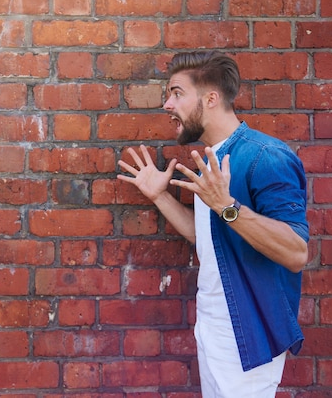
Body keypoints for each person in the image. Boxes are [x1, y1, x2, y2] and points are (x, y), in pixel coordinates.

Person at [117, 51, 309, 397]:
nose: (166, 104)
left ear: (210, 99)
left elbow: (296, 252)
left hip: (247, 329)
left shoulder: (265, 157)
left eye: (176, 93)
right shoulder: (211, 159)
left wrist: (228, 206)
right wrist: (160, 197)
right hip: (214, 322)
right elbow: (207, 238)